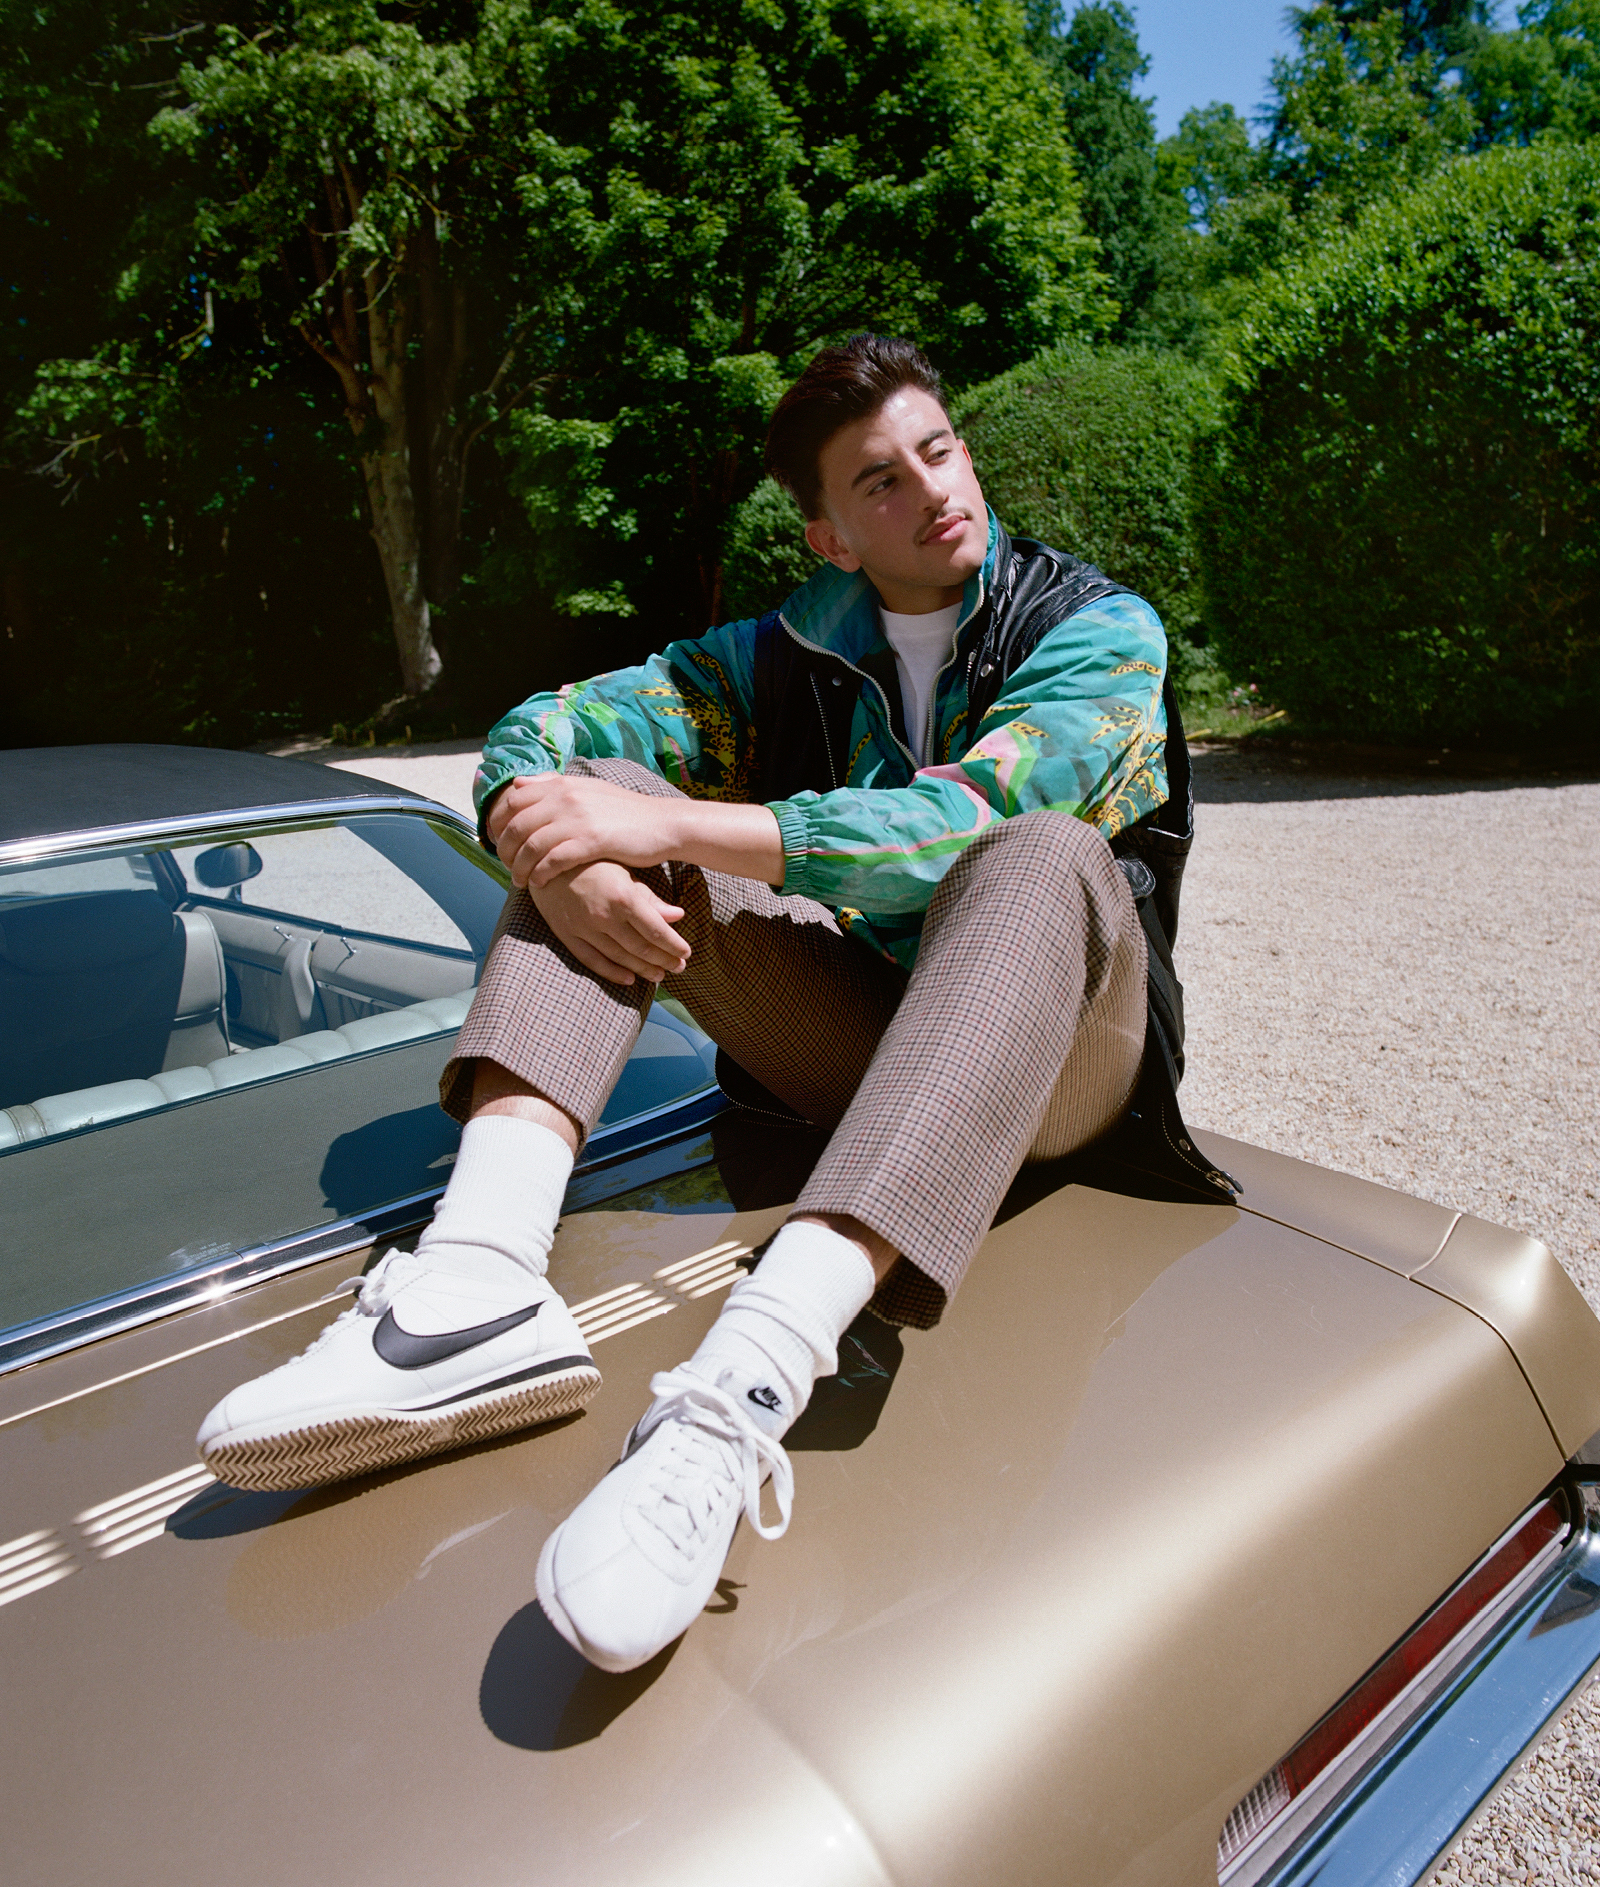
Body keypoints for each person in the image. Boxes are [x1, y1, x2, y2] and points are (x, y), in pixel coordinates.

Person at [196, 333, 1225, 1674]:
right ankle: (478, 1279)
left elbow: (963, 823)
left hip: (1067, 1068)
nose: (933, 488)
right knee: (599, 816)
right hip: (875, 1051)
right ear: (831, 535)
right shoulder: (780, 653)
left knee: (1035, 854)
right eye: (882, 479)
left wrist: (670, 819)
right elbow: (550, 730)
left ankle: (739, 1389)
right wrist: (552, 844)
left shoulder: (1093, 626)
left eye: (939, 449)